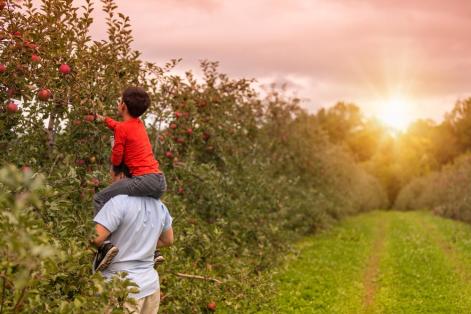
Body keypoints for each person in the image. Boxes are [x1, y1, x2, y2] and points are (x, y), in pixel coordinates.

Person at [93, 87, 167, 268]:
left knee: (100, 198)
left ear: (123, 106)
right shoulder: (138, 124)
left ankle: (104, 245)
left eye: (119, 101)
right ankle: (153, 249)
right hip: (159, 181)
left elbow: (117, 155)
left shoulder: (123, 129)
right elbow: (118, 126)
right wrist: (103, 119)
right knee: (145, 210)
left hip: (144, 179)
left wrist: (116, 165)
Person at [91, 163, 173, 313]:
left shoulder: (117, 202)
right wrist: (143, 244)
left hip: (120, 288)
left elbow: (95, 238)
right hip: (150, 287)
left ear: (121, 176)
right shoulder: (159, 205)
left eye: (112, 178)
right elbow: (168, 240)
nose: (111, 184)